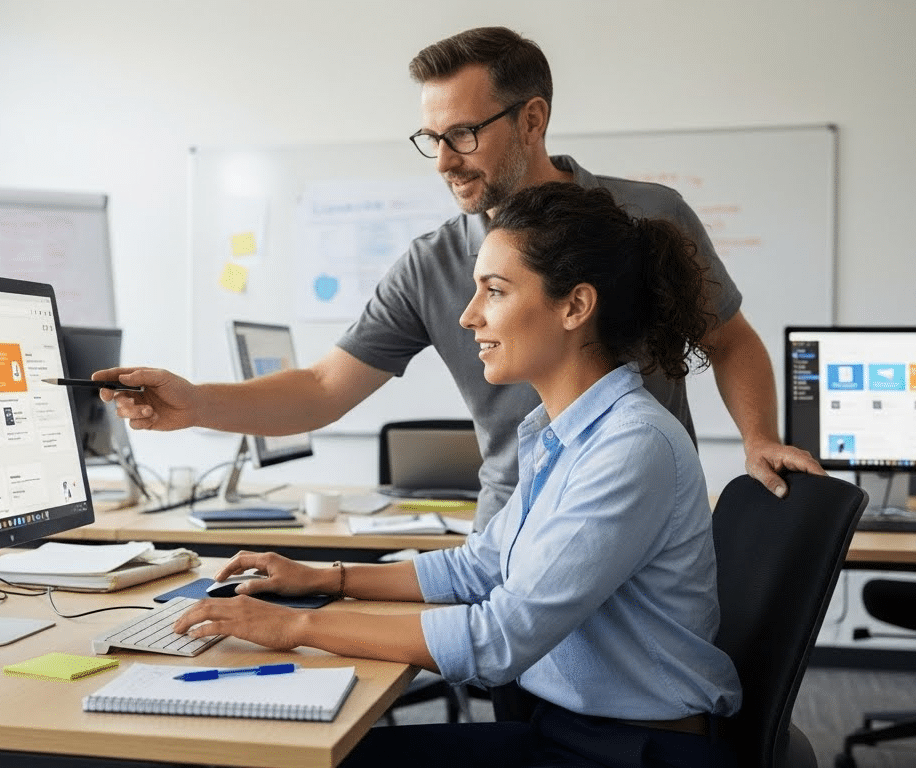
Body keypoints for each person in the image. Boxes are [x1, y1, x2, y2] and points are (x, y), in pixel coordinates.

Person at [99, 26, 821, 531]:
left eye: (463, 135)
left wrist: (757, 438)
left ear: (531, 119)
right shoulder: (433, 262)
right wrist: (194, 404)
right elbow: (322, 389)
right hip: (514, 519)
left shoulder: (647, 217)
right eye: (431, 139)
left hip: (639, 510)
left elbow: (728, 340)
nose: (444, 160)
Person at [172, 183, 742, 767]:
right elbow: (481, 566)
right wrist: (325, 577)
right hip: (575, 730)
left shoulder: (630, 445)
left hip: (636, 752)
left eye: (494, 291)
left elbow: (499, 638)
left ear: (574, 307)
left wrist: (295, 628)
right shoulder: (565, 430)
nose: (468, 317)